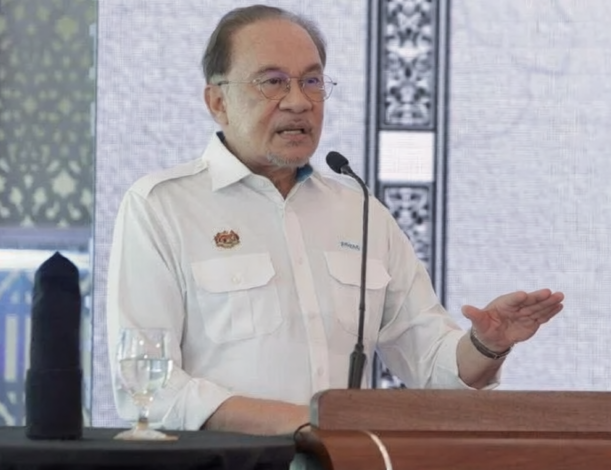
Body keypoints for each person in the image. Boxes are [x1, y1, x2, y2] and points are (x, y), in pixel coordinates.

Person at [106, 4, 564, 436]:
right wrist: (308, 424)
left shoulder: (360, 212)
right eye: (272, 82)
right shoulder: (162, 206)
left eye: (312, 81)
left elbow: (431, 367)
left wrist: (487, 344)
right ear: (217, 101)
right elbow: (146, 387)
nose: (298, 102)